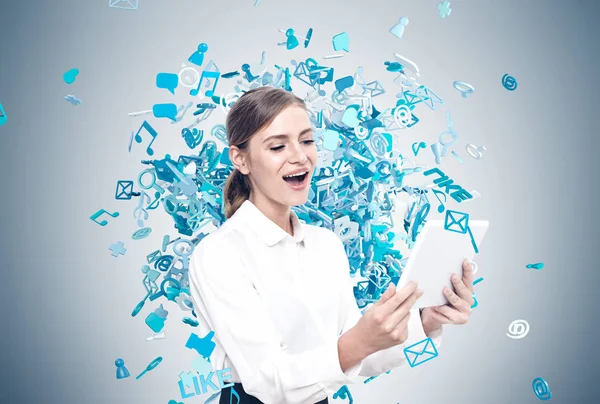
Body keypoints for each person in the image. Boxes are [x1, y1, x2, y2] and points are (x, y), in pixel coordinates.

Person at [188, 86, 475, 404]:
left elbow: (360, 361)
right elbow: (268, 382)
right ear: (240, 159)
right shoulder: (218, 254)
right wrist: (357, 342)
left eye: (307, 140)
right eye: (277, 146)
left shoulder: (326, 245)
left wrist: (426, 320)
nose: (300, 156)